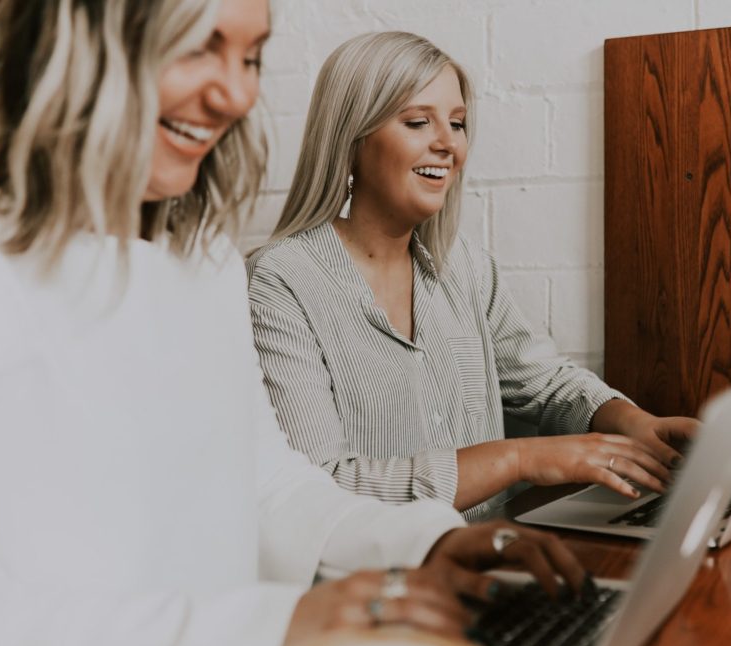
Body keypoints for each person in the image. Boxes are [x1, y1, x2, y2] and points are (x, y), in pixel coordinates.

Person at [0, 4, 584, 646]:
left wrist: (425, 541)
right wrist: (267, 629)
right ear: (77, 35)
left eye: (250, 57)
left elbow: (267, 485)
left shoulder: (200, 257)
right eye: (199, 47)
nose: (236, 95)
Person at [247, 32, 698, 517]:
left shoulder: (463, 268)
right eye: (419, 122)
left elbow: (544, 383)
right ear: (351, 139)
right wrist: (519, 459)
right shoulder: (279, 282)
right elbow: (321, 489)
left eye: (458, 124)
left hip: (494, 560)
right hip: (382, 582)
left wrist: (631, 421)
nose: (448, 144)